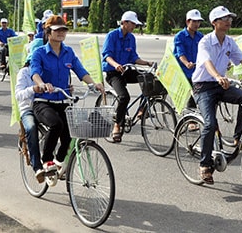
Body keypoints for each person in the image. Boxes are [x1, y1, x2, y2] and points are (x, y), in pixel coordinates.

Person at [192, 6, 242, 185]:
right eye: (224, 18)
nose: (229, 21)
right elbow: (207, 63)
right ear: (214, 23)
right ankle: (204, 165)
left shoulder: (229, 42)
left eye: (229, 18)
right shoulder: (205, 42)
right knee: (210, 124)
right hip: (203, 86)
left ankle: (238, 138)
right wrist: (218, 76)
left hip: (221, 84)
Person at [30, 15, 104, 176]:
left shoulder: (68, 52)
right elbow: (34, 72)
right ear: (48, 32)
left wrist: (93, 84)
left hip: (63, 100)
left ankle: (58, 161)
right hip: (44, 101)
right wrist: (41, 83)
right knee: (56, 124)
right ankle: (46, 160)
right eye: (57, 30)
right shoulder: (39, 53)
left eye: (63, 30)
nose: (61, 33)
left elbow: (80, 70)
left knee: (71, 132)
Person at [101, 11, 155, 143]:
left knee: (151, 79)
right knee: (124, 97)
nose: (134, 27)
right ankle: (117, 125)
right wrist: (116, 65)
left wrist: (147, 63)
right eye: (132, 24)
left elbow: (134, 57)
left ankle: (143, 109)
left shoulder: (131, 38)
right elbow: (107, 55)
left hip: (126, 70)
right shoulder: (112, 36)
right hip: (113, 72)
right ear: (124, 23)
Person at [15, 38, 45, 183]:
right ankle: (37, 166)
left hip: (45, 106)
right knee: (32, 128)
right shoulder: (24, 72)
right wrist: (32, 89)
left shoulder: (47, 70)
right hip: (28, 109)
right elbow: (18, 95)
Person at [173, 9, 204, 108]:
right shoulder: (180, 36)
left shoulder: (200, 36)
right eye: (194, 21)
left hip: (196, 69)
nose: (197, 24)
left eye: (198, 21)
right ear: (187, 22)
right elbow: (180, 53)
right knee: (194, 92)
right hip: (183, 70)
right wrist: (186, 63)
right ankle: (191, 121)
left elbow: (205, 52)